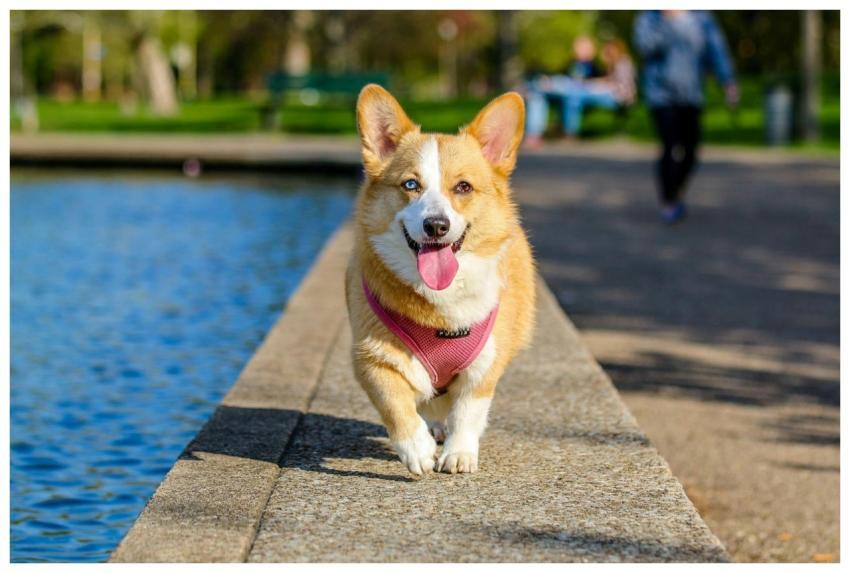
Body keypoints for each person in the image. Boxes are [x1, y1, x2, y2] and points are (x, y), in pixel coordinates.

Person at [633, 10, 739, 224]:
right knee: (669, 145)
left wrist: (727, 81)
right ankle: (668, 200)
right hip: (661, 95)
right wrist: (667, 22)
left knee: (691, 149)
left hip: (692, 94)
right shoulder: (650, 18)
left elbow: (715, 49)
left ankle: (676, 189)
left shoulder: (701, 18)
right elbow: (645, 47)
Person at [524, 37, 636, 146]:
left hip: (617, 97)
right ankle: (536, 133)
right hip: (574, 90)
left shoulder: (618, 63)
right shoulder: (573, 63)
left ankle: (567, 132)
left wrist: (595, 85)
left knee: (573, 95)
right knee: (539, 94)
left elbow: (619, 86)